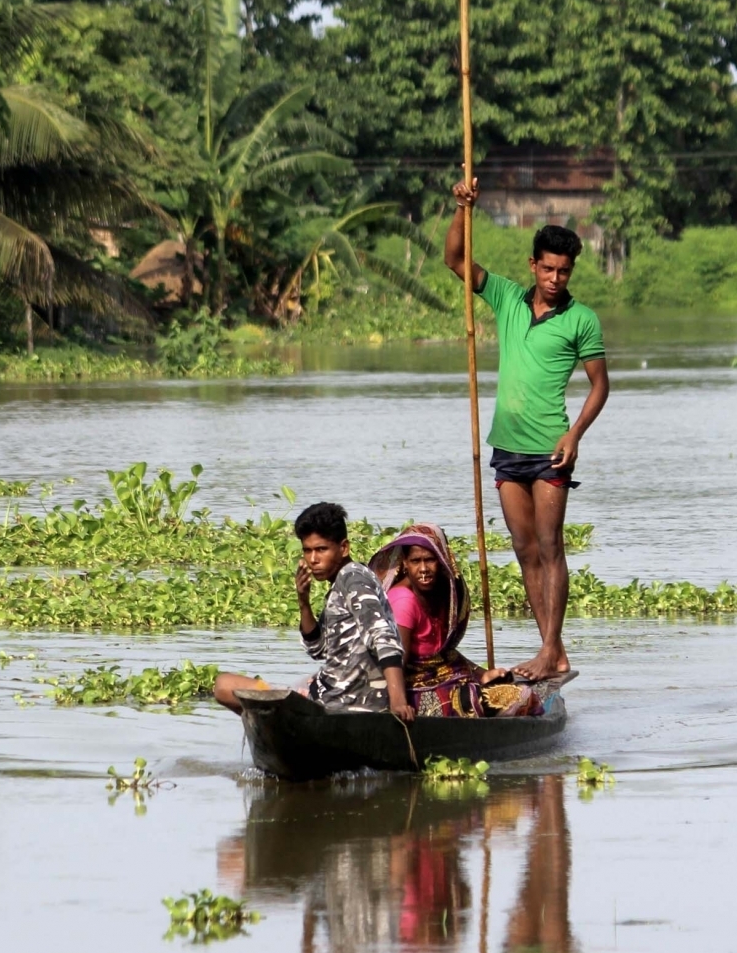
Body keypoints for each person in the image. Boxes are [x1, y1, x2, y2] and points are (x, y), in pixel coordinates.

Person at [446, 177, 610, 682]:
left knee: (550, 545)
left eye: (564, 271)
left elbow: (601, 386)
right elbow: (455, 259)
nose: (556, 279)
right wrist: (463, 209)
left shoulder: (581, 319)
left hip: (550, 450)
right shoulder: (508, 299)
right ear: (533, 265)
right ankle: (552, 652)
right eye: (548, 269)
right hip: (507, 448)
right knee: (523, 550)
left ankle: (550, 650)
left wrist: (574, 434)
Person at [212, 502, 414, 719]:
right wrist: (303, 602)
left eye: (321, 549)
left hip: (344, 703)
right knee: (229, 687)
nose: (313, 559)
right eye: (307, 550)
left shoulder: (353, 577)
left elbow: (384, 637)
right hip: (328, 692)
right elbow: (318, 650)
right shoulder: (339, 584)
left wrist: (398, 701)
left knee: (225, 685)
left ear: (344, 548)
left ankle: (276, 730)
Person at [367, 524, 536, 717]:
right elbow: (396, 662)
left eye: (430, 560)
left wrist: (482, 674)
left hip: (445, 679)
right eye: (416, 561)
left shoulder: (441, 594)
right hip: (416, 692)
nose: (423, 569)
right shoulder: (403, 601)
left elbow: (444, 655)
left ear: (442, 561)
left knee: (512, 690)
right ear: (405, 563)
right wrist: (398, 705)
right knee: (521, 696)